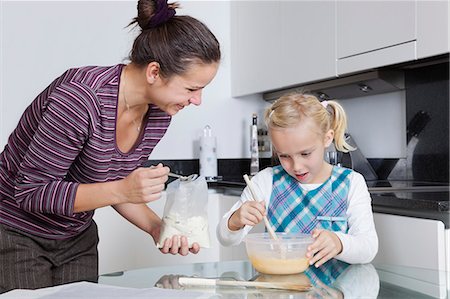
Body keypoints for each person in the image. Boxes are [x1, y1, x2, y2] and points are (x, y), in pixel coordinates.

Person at [0, 0, 220, 293]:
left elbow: (110, 185)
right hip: (17, 231)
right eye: (192, 88)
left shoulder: (158, 112)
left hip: (76, 237)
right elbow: (31, 192)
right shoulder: (80, 99)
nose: (197, 101)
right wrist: (123, 189)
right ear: (154, 72)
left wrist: (157, 228)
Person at [217, 93, 378, 267]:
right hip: (281, 291)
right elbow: (224, 238)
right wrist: (235, 220)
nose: (297, 166)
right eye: (284, 156)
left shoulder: (352, 183)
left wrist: (339, 242)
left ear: (327, 138)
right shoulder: (265, 181)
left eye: (305, 154)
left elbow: (368, 248)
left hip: (336, 291)